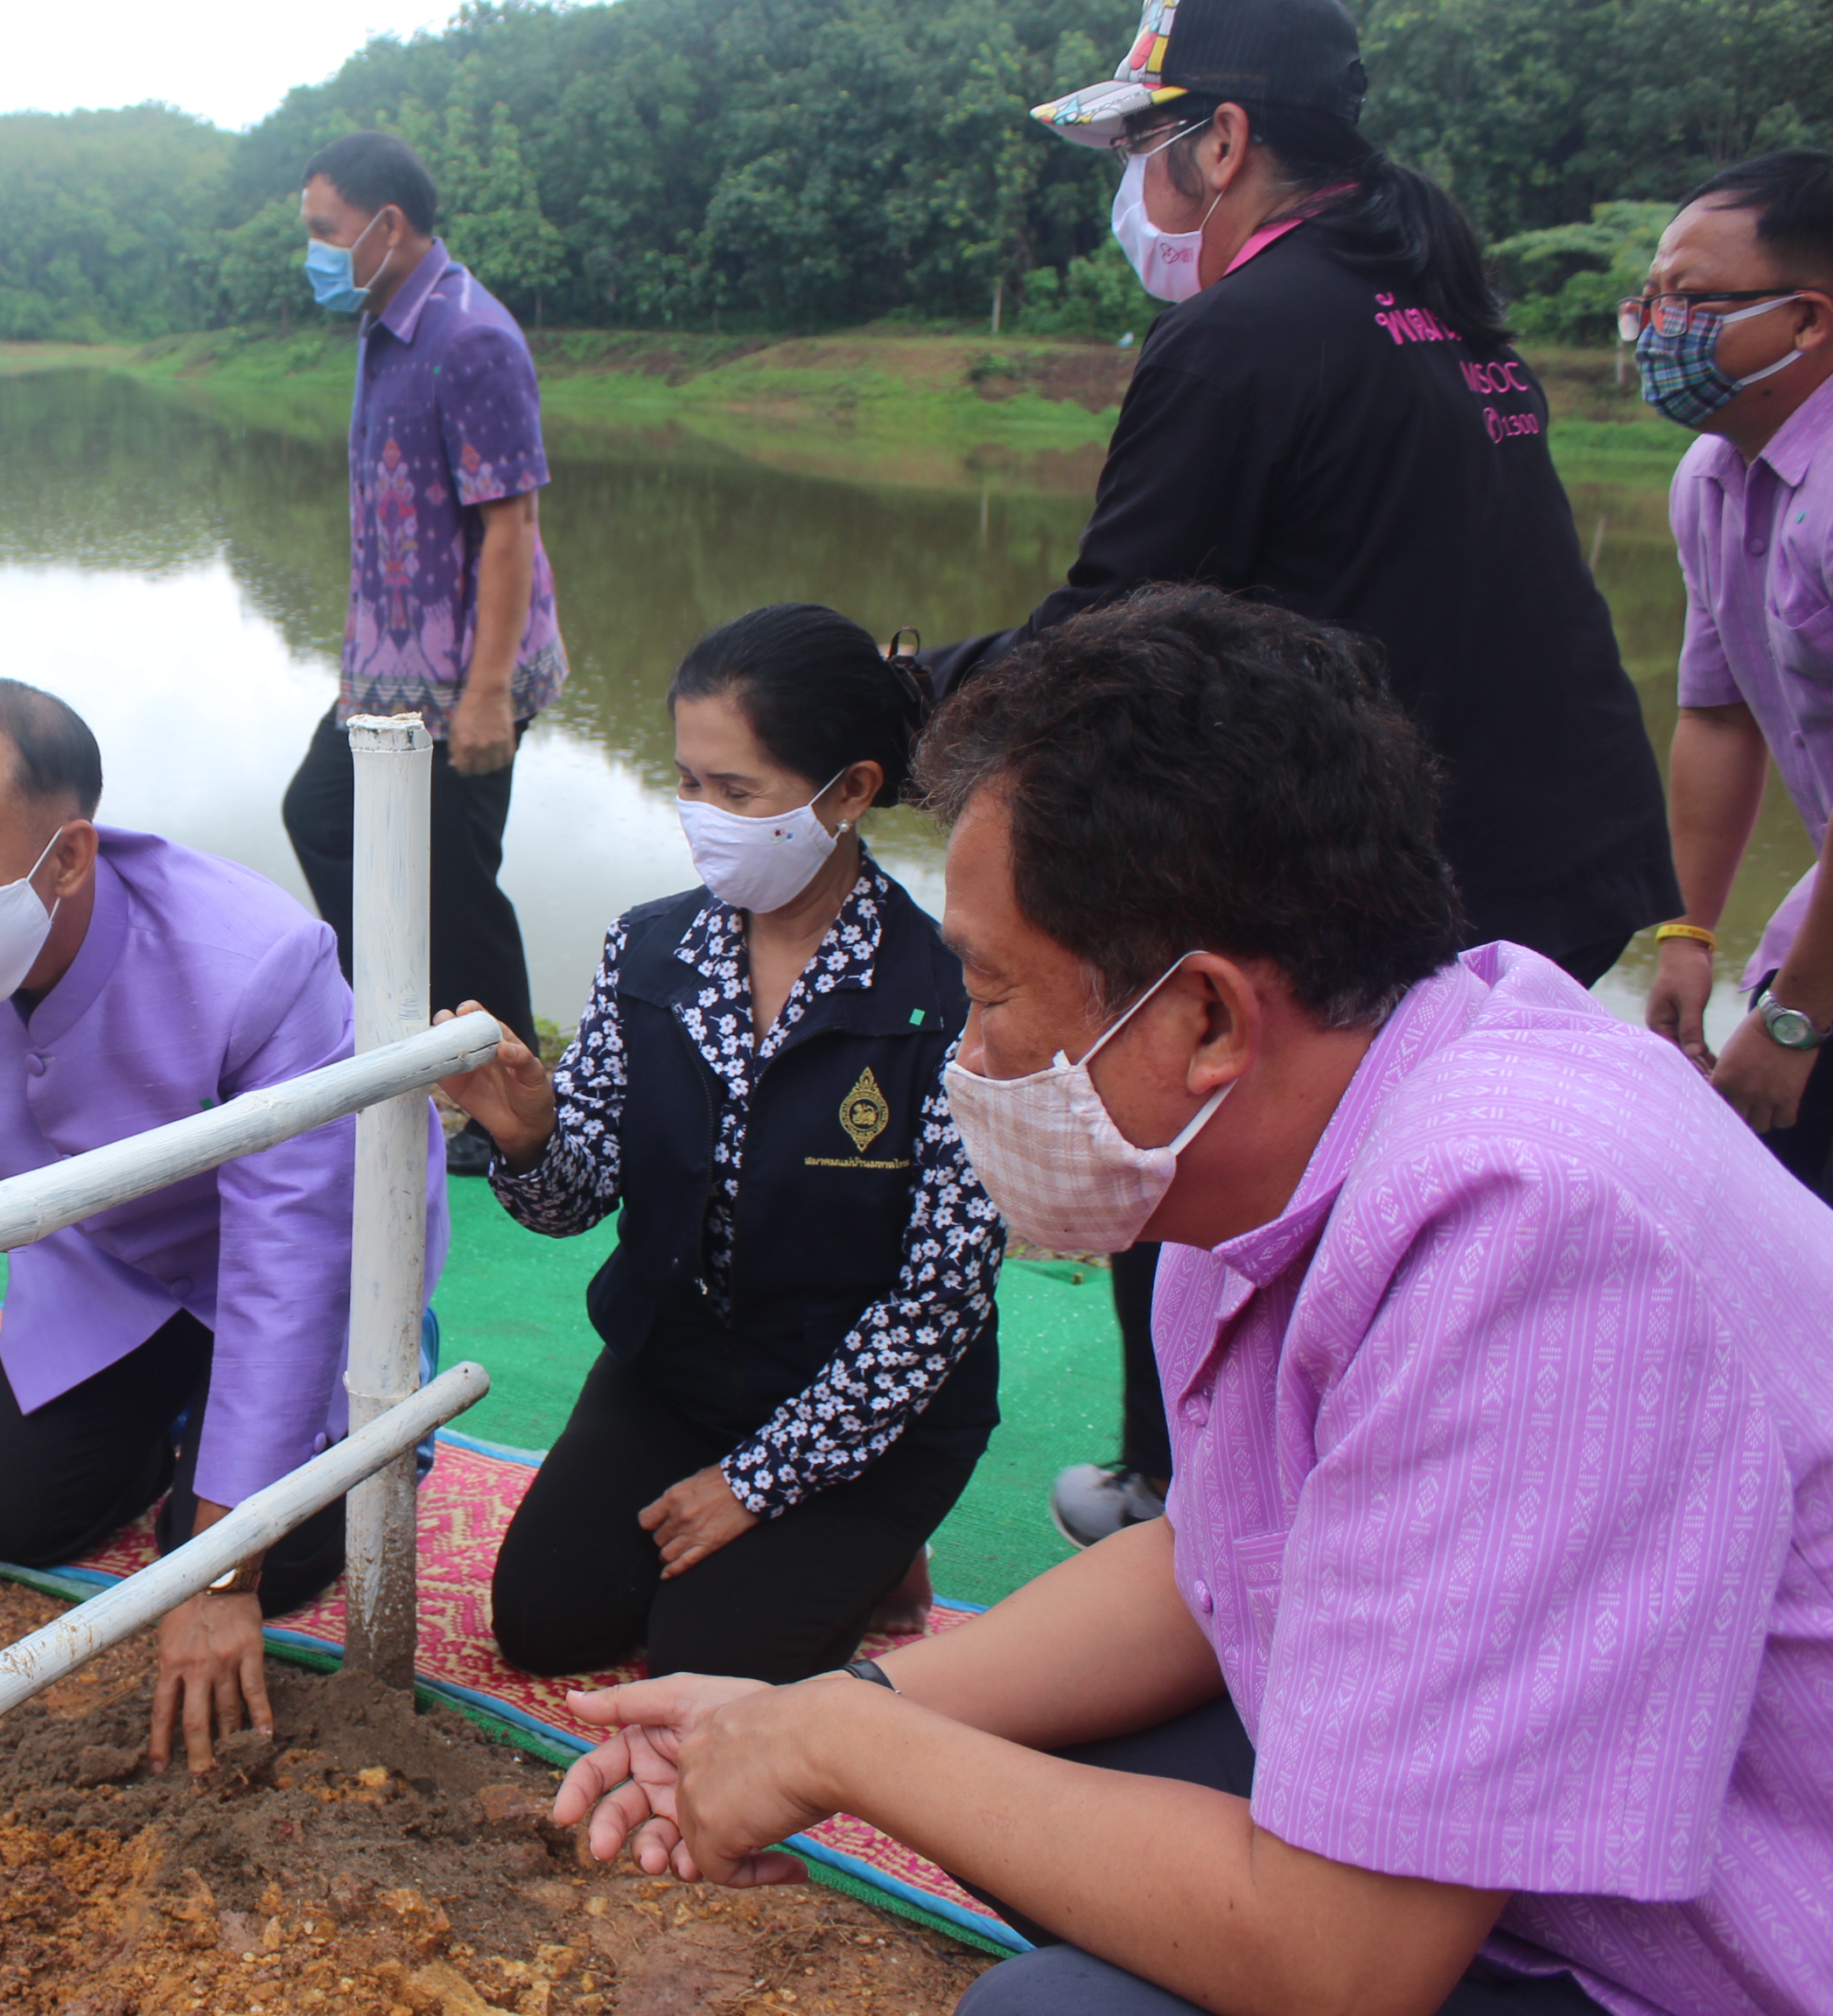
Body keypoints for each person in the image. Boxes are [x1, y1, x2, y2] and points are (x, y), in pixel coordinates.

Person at [553, 584, 1833, 2016]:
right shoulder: (1285, 1140)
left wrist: (841, 1754)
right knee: (1010, 1774)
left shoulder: (1530, 1236)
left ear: (1206, 1013)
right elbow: (1211, 1562)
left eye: (990, 990)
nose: (966, 1052)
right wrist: (833, 1708)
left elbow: (1344, 1965)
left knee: (1044, 2006)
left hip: (1714, 1947)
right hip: (1516, 1847)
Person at [942, 0, 1682, 1545]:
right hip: (1558, 851)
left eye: (1145, 144)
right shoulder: (1442, 310)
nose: (1135, 188)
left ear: (1222, 142)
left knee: (1185, 1117)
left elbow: (1113, 637)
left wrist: (914, 696)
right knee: (1433, 1212)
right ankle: (1320, 1506)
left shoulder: (1238, 332)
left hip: (1421, 880)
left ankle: (1218, 1525)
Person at [0, 679, 451, 1772]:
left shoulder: (256, 965)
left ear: (67, 859)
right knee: (5, 1517)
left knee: (264, 1563)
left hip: (311, 1278)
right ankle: (182, 1423)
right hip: (110, 1262)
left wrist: (220, 1572)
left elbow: (287, 1267)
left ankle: (378, 1388)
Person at [440, 606, 999, 1685]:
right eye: (688, 782)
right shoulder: (648, 951)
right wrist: (527, 1132)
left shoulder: (944, 998)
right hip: (679, 1367)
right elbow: (574, 1199)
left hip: (866, 1397)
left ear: (851, 791)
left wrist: (755, 1484)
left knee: (708, 1664)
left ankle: (880, 1540)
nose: (701, 817)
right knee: (545, 1625)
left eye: (737, 792)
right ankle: (818, 1547)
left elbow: (937, 1304)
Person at [280, 130, 570, 1176]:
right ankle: (407, 1039)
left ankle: (511, 1112)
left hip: (461, 682)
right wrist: (359, 661)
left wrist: (486, 695)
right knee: (322, 817)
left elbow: (510, 527)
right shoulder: (383, 323)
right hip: (387, 676)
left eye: (326, 230)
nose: (315, 252)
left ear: (386, 226)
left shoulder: (470, 336)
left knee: (460, 887)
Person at [1636, 150, 1833, 1207]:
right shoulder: (1710, 480)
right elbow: (1718, 718)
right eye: (1653, 297)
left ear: (1806, 320)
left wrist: (1797, 1020)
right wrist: (1688, 934)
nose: (1657, 328)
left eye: (1694, 300)